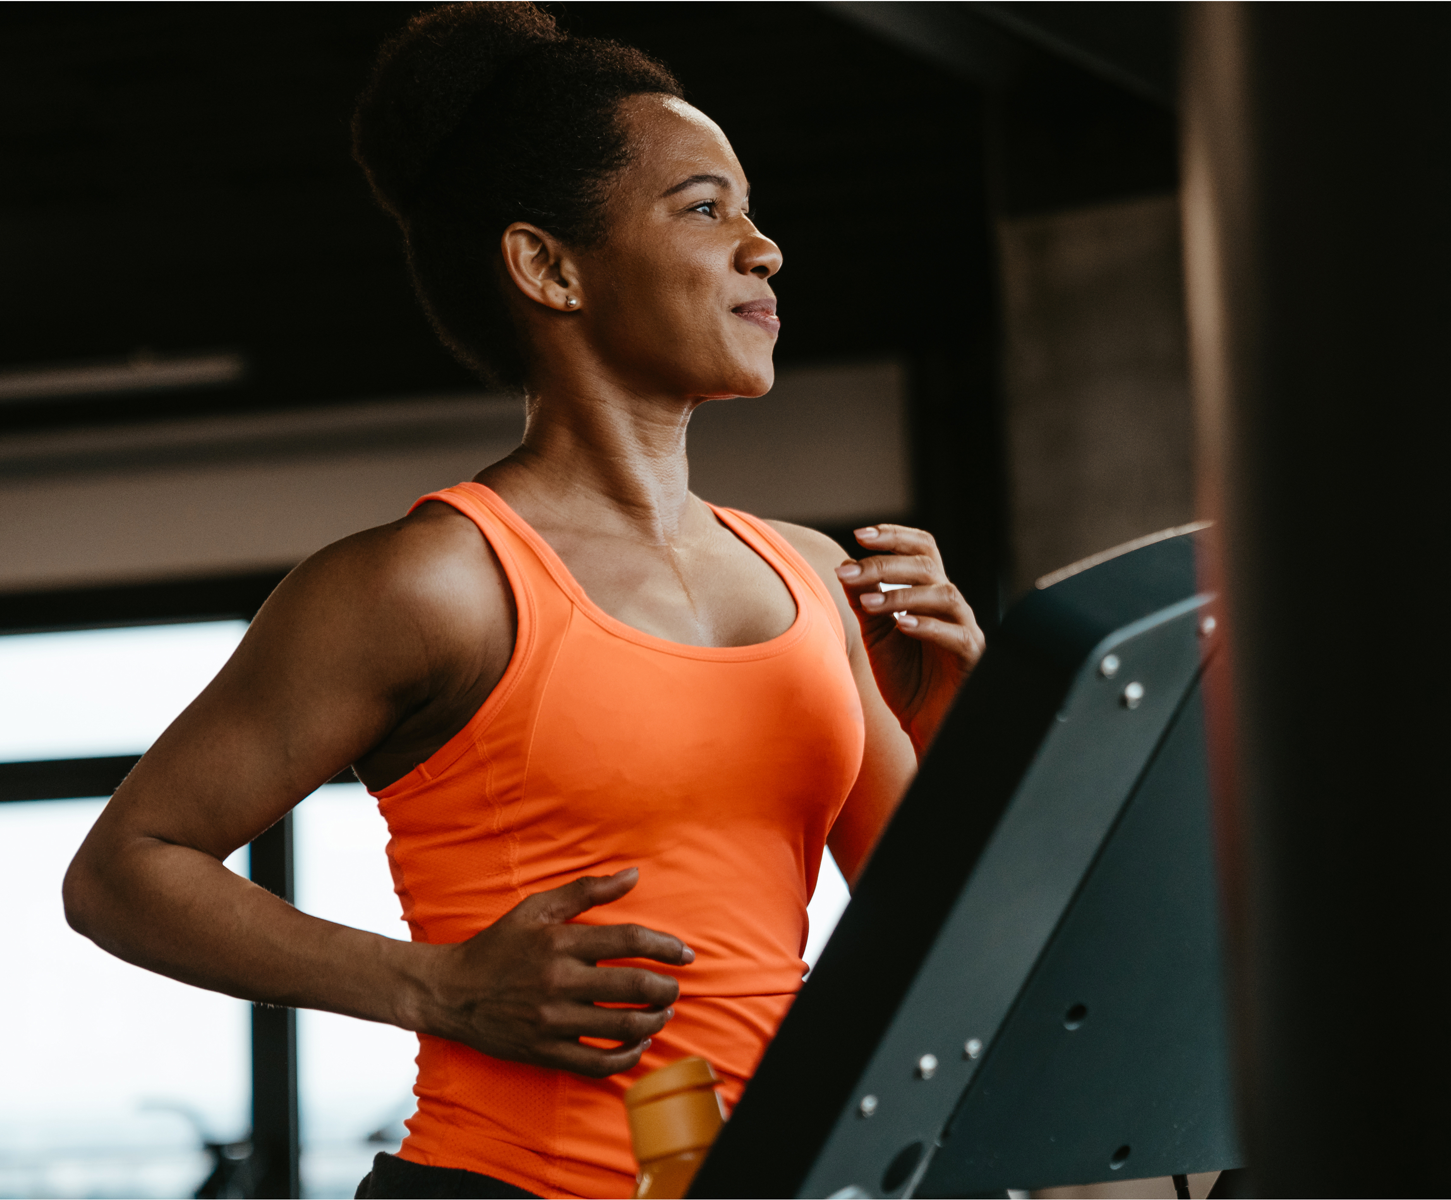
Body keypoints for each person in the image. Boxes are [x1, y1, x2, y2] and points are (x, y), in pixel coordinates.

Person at [62, 5, 985, 1197]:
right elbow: (124, 868)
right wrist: (433, 985)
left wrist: (952, 718)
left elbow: (942, 937)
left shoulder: (805, 575)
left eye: (751, 210)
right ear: (549, 266)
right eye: (705, 207)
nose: (763, 249)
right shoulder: (430, 583)